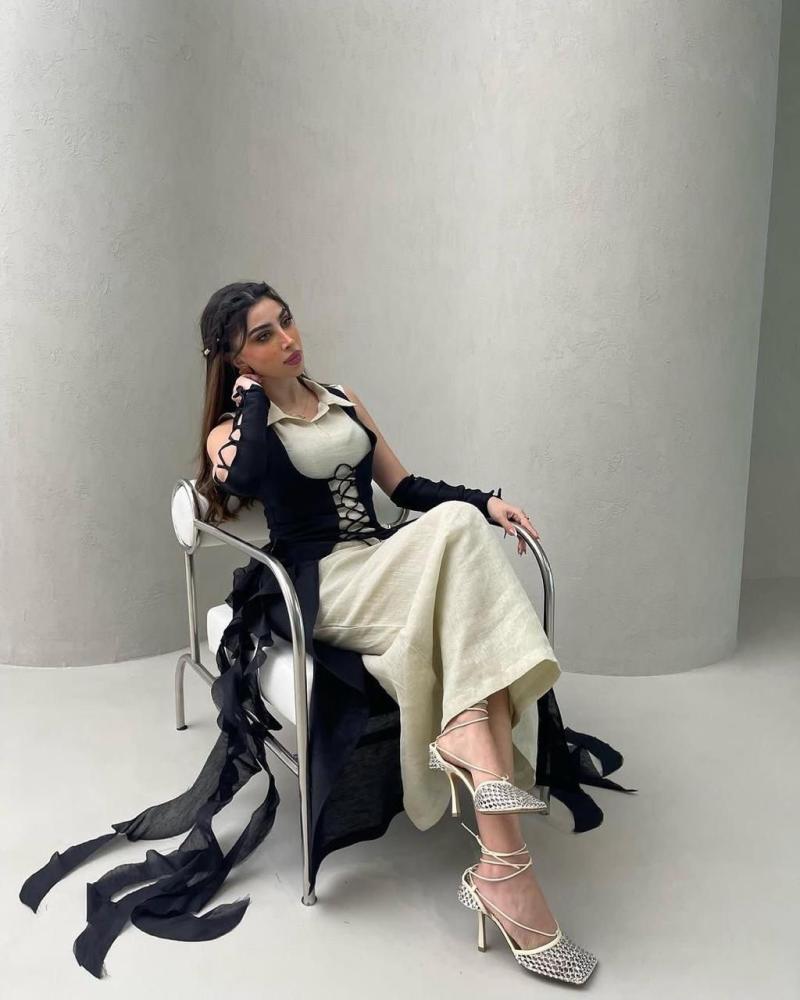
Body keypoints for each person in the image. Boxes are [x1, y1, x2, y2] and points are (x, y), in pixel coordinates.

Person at [19, 281, 635, 984]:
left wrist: (486, 502)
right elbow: (244, 476)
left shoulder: (341, 398)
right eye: (263, 336)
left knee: (463, 539)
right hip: (320, 586)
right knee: (460, 557)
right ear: (235, 358)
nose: (288, 340)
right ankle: (496, 841)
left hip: (382, 563)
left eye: (286, 322)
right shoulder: (232, 432)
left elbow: (404, 490)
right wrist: (251, 397)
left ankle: (502, 863)